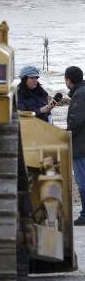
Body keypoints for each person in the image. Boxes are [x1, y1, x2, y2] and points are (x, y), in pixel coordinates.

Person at [65, 66, 85, 226]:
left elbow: (76, 122)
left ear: (68, 80)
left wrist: (65, 135)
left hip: (81, 146)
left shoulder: (79, 95)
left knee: (82, 181)